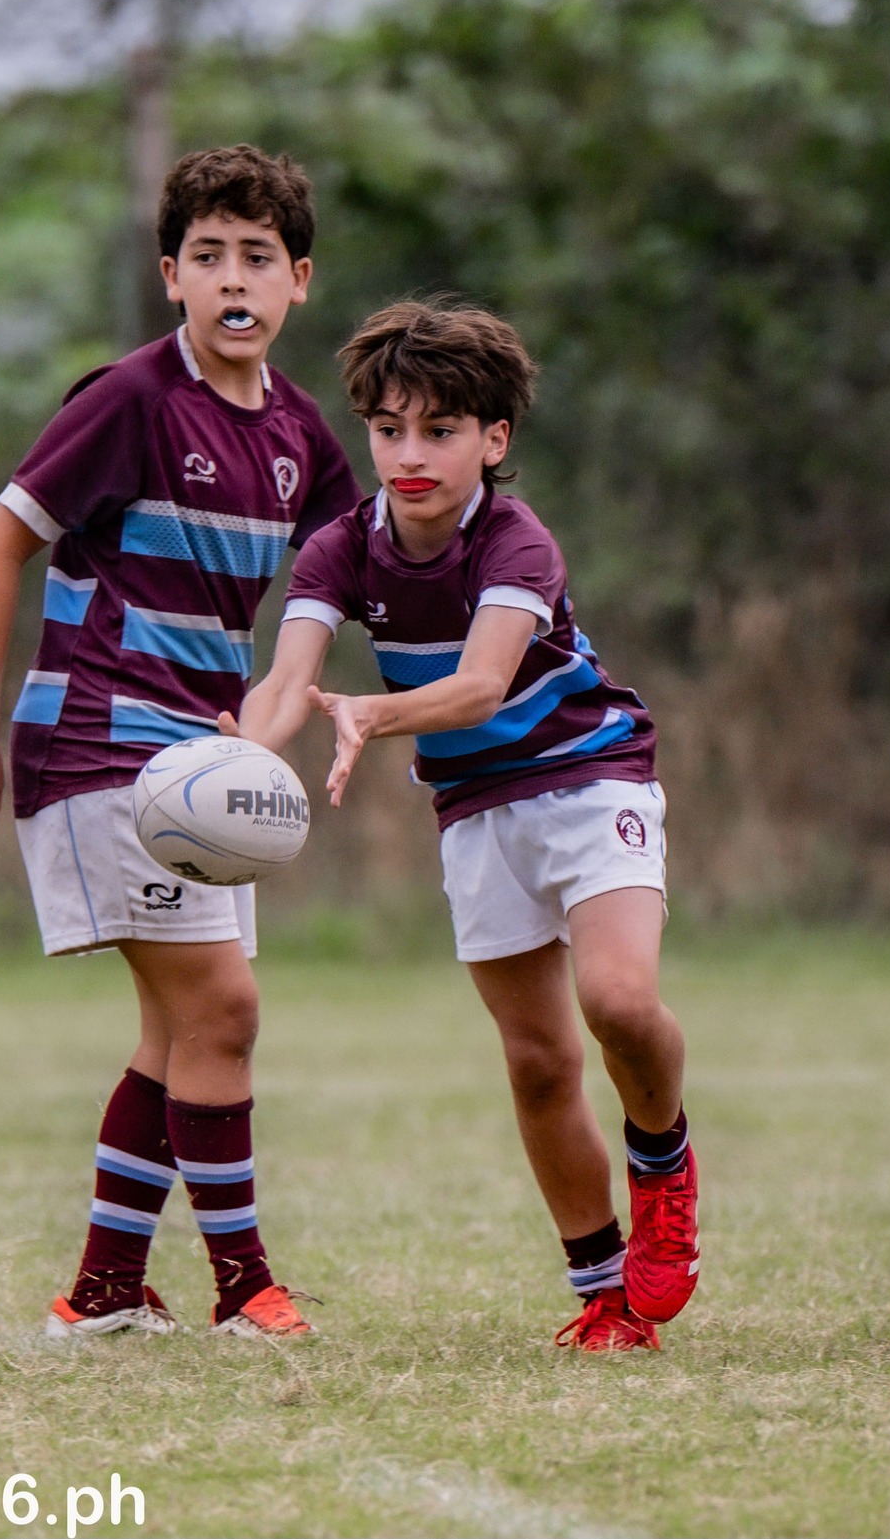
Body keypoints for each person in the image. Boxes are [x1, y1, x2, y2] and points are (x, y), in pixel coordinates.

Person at [0, 146, 361, 1339]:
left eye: (257, 259)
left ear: (297, 283)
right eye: (208, 256)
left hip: (199, 769)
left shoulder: (297, 434)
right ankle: (243, 1287)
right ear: (171, 275)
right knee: (222, 1009)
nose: (233, 279)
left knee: (182, 1030)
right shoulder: (127, 400)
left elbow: (347, 576)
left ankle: (106, 1292)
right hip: (96, 743)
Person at [231, 300, 700, 1351]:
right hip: (475, 810)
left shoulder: (514, 542)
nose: (407, 453)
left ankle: (663, 1165)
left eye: (438, 431)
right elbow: (284, 683)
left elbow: (483, 685)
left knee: (617, 1002)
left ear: (492, 440)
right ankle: (604, 1296)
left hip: (590, 777)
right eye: (387, 429)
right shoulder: (337, 551)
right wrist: (236, 765)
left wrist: (371, 714)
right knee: (536, 1062)